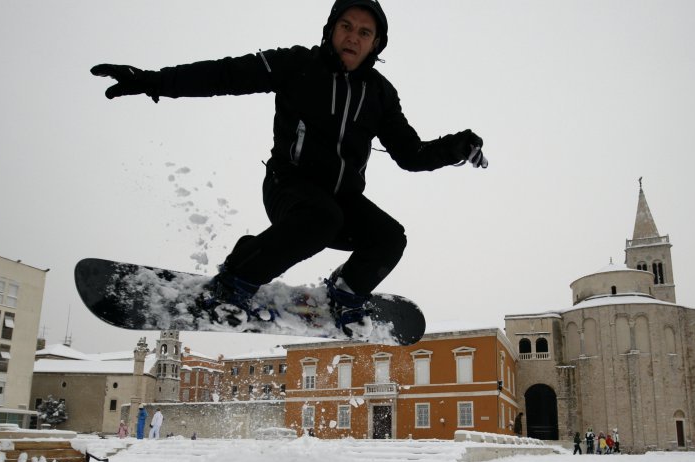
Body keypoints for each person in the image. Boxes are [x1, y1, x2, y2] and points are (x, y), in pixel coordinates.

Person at [90, 0, 487, 334]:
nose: (353, 36)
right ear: (331, 30)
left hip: (342, 202)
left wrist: (459, 147)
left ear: (375, 43)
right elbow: (225, 74)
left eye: (364, 32)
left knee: (389, 237)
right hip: (288, 187)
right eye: (346, 26)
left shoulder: (380, 93)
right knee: (320, 217)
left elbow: (410, 154)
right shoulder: (298, 65)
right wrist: (152, 81)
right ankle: (235, 279)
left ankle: (347, 291)